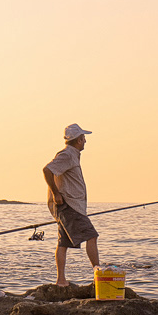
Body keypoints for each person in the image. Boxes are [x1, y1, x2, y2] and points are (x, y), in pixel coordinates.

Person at [42, 123, 100, 286]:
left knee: (64, 242)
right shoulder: (67, 154)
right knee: (91, 235)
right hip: (69, 206)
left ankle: (61, 281)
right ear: (78, 140)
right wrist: (56, 193)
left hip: (69, 206)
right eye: (84, 138)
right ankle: (98, 275)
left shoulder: (72, 154)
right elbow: (47, 170)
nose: (85, 141)